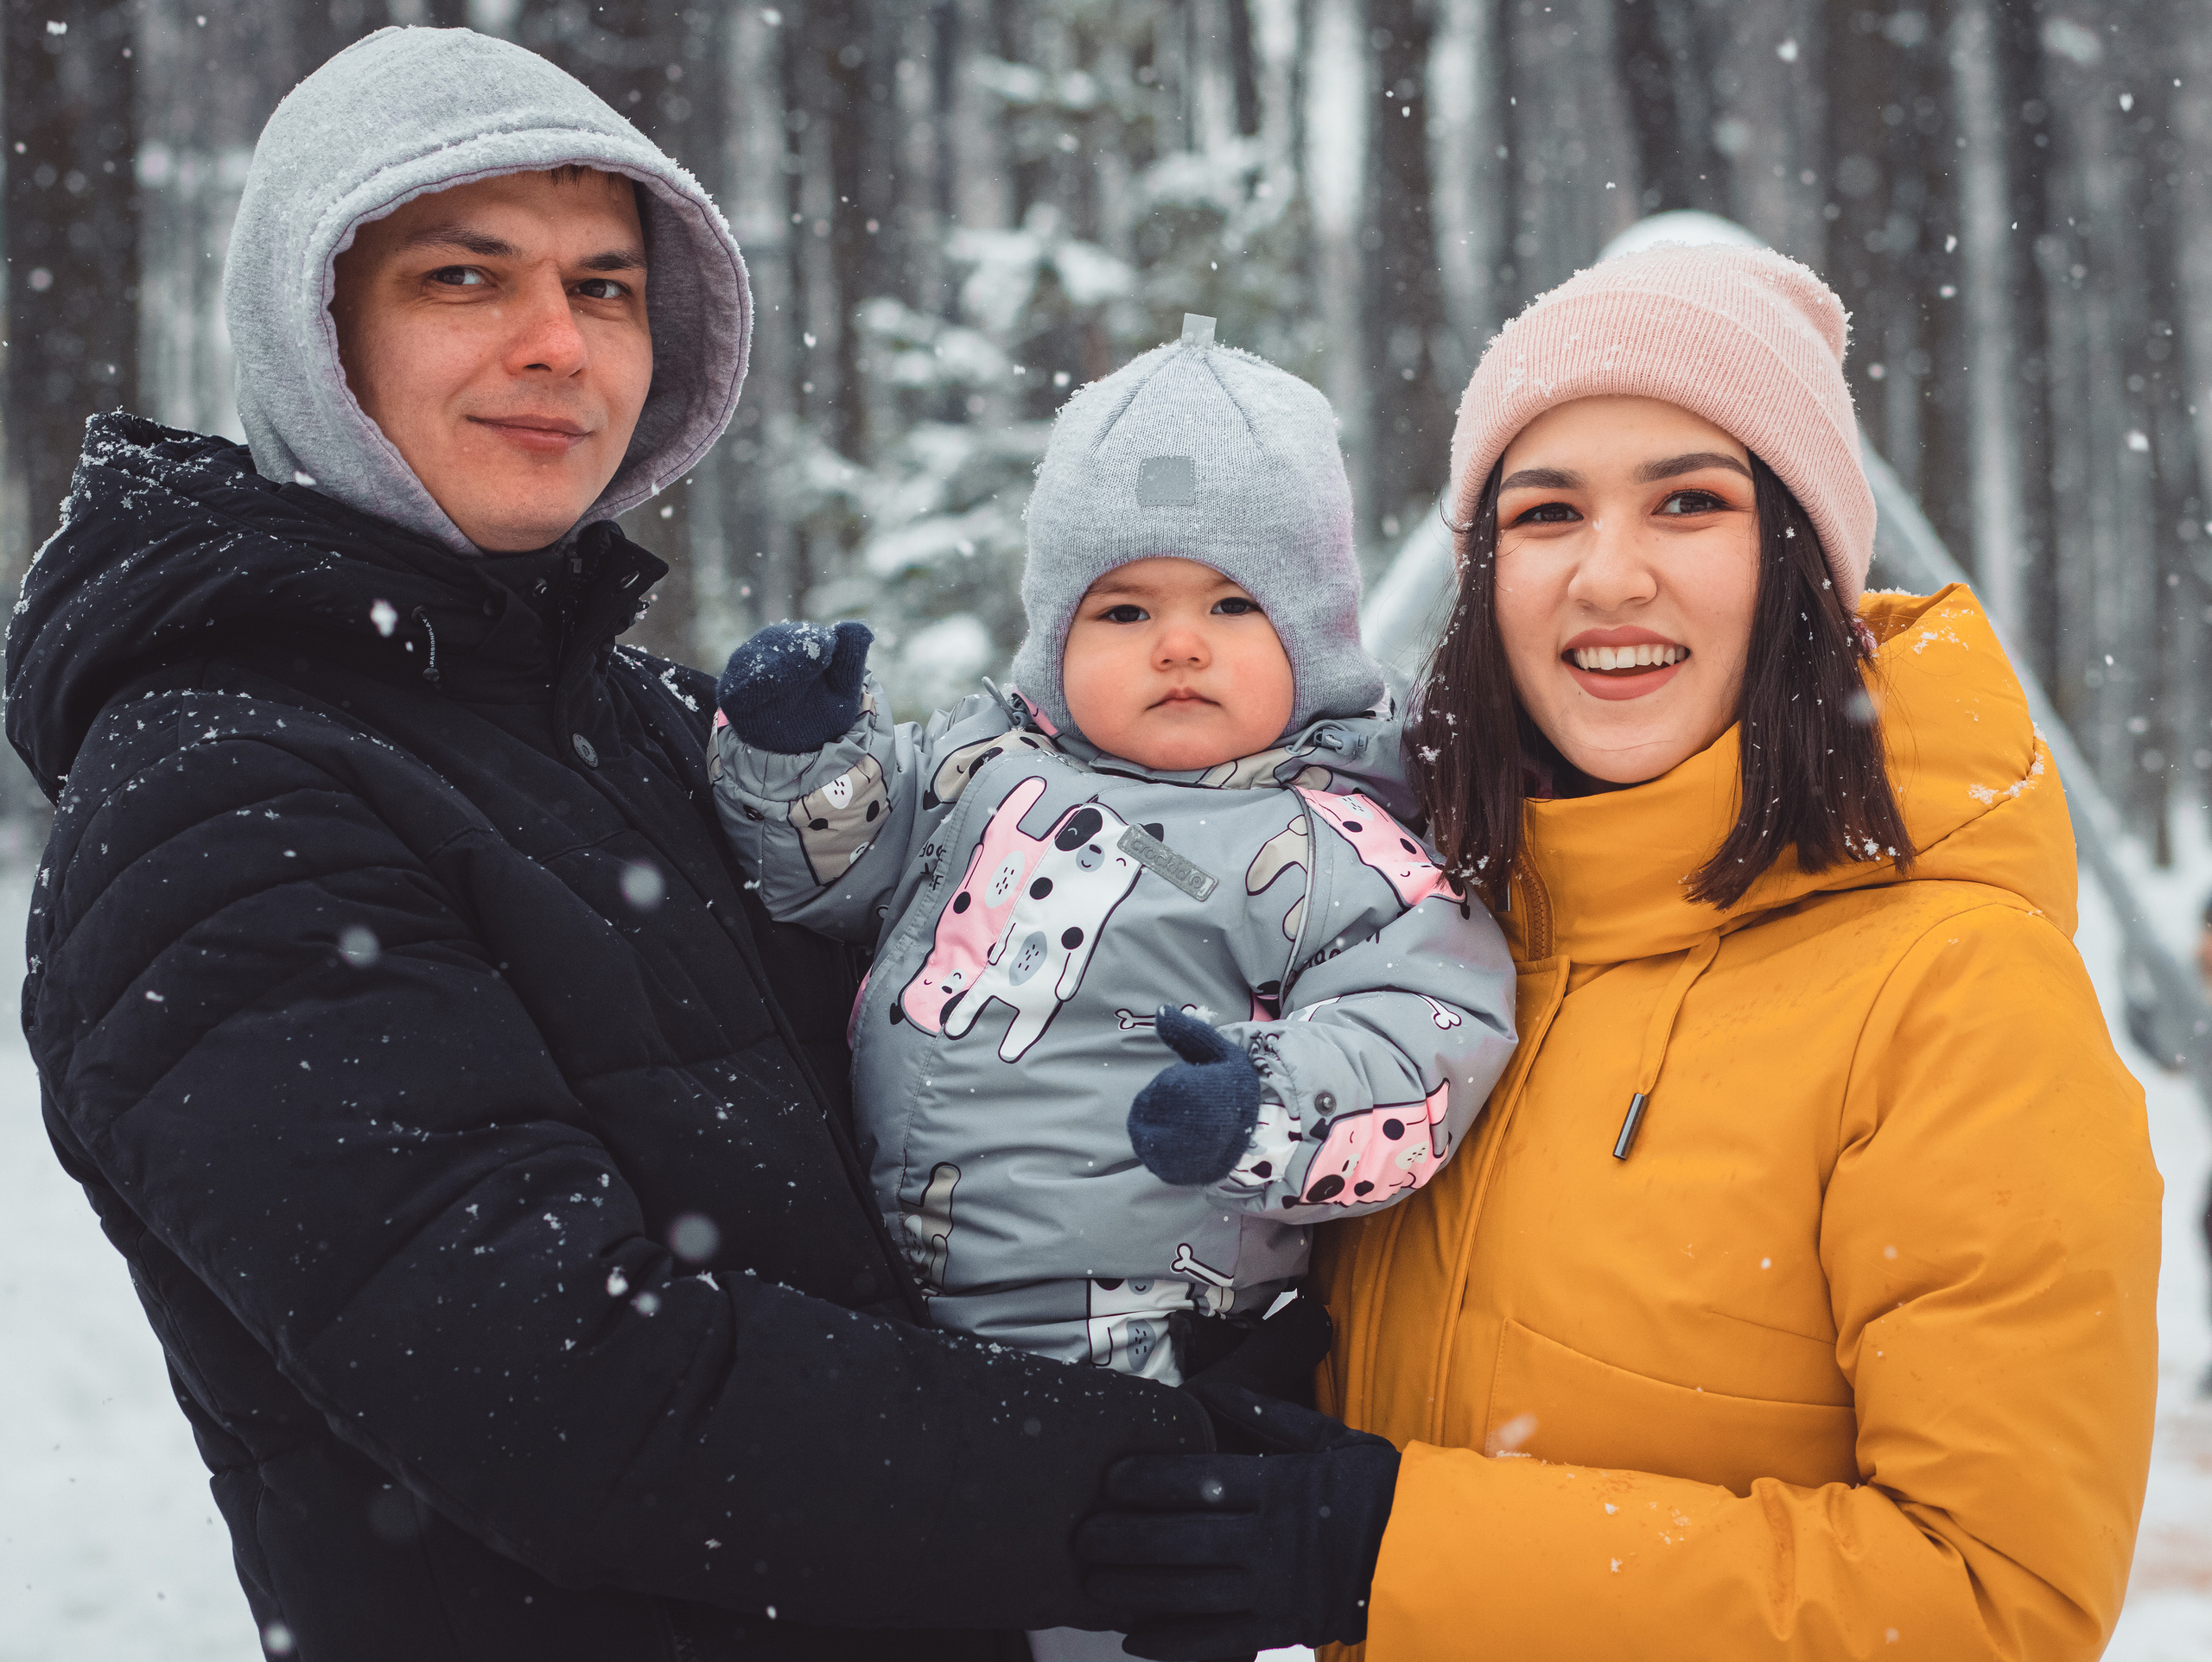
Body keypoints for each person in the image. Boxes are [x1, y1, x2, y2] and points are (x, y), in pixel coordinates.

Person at [4, 28, 1233, 1662]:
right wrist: (1215, 1503)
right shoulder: (219, 790)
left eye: (605, 287)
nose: (557, 345)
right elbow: (581, 1398)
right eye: (464, 277)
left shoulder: (641, 718)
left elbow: (949, 1133)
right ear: (317, 334)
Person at [1075, 245, 2163, 1659]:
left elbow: (1994, 1606)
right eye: (1546, 513)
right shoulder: (1437, 954)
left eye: (1691, 502)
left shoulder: (1954, 996)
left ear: (1799, 566)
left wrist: (1388, 1548)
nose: (1609, 573)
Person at [710, 319, 1516, 1662]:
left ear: (1313, 632)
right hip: (889, 1316)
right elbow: (828, 882)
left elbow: (1426, 1032)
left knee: (1104, 1614)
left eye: (1230, 605)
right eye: (1125, 610)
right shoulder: (976, 765)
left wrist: (1264, 1105)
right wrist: (799, 756)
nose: (1178, 647)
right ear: (1054, 632)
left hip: (1139, 1359)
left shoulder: (1340, 843)